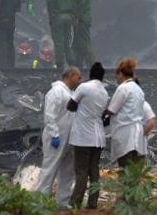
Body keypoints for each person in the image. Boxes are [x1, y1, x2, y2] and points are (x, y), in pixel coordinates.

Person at [36, 66, 81, 209]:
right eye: (78, 77)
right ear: (71, 75)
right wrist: (55, 134)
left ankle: (62, 202)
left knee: (67, 171)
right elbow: (50, 115)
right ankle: (40, 201)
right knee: (50, 169)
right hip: (57, 137)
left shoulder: (70, 92)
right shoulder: (56, 92)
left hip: (69, 138)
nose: (79, 80)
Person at [67, 62, 108, 209]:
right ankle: (93, 203)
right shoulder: (104, 93)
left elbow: (70, 106)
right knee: (94, 170)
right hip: (98, 138)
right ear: (102, 76)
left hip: (83, 136)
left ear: (90, 74)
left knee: (81, 170)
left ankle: (75, 203)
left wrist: (82, 106)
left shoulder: (84, 87)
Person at [107, 58, 147, 168]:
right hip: (138, 133)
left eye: (117, 74)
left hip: (125, 133)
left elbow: (111, 110)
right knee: (135, 169)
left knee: (126, 167)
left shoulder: (123, 88)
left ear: (121, 74)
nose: (116, 77)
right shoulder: (138, 89)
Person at [66, 0, 95, 68]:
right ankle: (77, 66)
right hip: (79, 18)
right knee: (77, 44)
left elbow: (80, 3)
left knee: (85, 43)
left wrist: (76, 17)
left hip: (82, 18)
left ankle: (92, 67)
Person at [46, 0, 75, 68]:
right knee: (68, 42)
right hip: (69, 17)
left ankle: (60, 64)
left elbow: (50, 0)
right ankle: (72, 63)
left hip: (58, 18)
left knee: (58, 42)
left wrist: (51, 14)